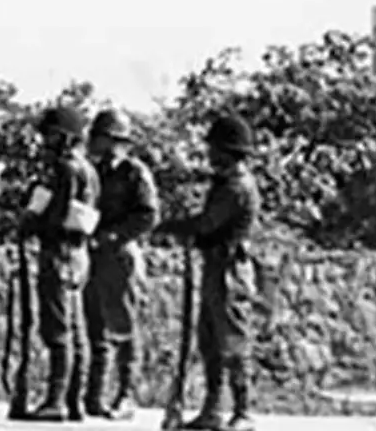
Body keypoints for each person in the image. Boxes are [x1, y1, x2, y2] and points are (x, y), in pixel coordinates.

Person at [156, 114, 260, 431]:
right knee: (209, 342)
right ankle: (213, 409)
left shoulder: (236, 187)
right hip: (215, 267)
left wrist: (171, 227)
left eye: (215, 149)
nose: (210, 155)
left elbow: (207, 224)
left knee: (233, 342)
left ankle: (243, 410)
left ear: (229, 151)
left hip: (231, 272)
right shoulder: (223, 183)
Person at [18, 105, 102, 423]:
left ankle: (56, 400)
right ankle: (73, 400)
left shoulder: (66, 169)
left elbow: (56, 217)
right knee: (76, 330)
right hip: (79, 254)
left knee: (58, 330)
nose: (45, 141)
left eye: (50, 135)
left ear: (66, 137)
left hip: (60, 252)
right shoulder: (89, 170)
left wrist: (30, 223)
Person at [83, 109, 159, 420]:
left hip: (120, 255)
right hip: (93, 255)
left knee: (124, 326)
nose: (94, 142)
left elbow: (148, 215)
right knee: (95, 327)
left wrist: (113, 236)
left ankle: (126, 394)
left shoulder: (134, 173)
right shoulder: (93, 172)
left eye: (100, 137)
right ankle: (94, 396)